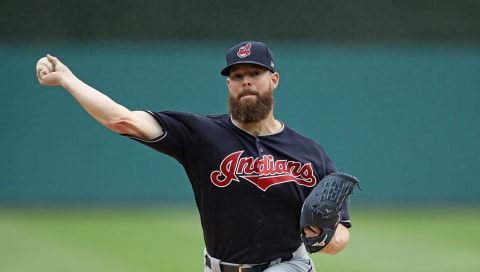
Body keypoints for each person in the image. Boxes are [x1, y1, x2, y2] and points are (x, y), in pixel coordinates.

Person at [36, 41, 352, 272]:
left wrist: (324, 236)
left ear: (274, 79)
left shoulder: (309, 154)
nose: (245, 81)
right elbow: (121, 119)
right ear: (228, 84)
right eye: (237, 75)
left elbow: (340, 236)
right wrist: (67, 80)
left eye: (254, 73)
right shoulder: (201, 134)